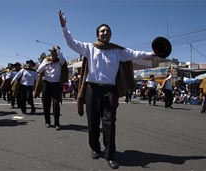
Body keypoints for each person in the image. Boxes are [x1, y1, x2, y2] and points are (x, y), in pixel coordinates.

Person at [59, 10, 156, 169]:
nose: (105, 33)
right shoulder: (89, 48)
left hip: (110, 91)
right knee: (93, 123)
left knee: (109, 124)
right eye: (102, 31)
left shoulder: (117, 51)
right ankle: (95, 148)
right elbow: (71, 42)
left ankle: (110, 155)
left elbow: (136, 54)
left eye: (107, 31)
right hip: (92, 90)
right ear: (97, 35)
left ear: (110, 35)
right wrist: (64, 27)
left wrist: (152, 53)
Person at [37, 45, 67, 130]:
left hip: (56, 85)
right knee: (46, 104)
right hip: (46, 84)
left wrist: (58, 50)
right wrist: (46, 64)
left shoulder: (60, 61)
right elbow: (39, 70)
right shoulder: (46, 60)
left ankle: (57, 123)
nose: (54, 55)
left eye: (55, 53)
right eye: (52, 53)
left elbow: (62, 58)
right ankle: (47, 121)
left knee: (56, 104)